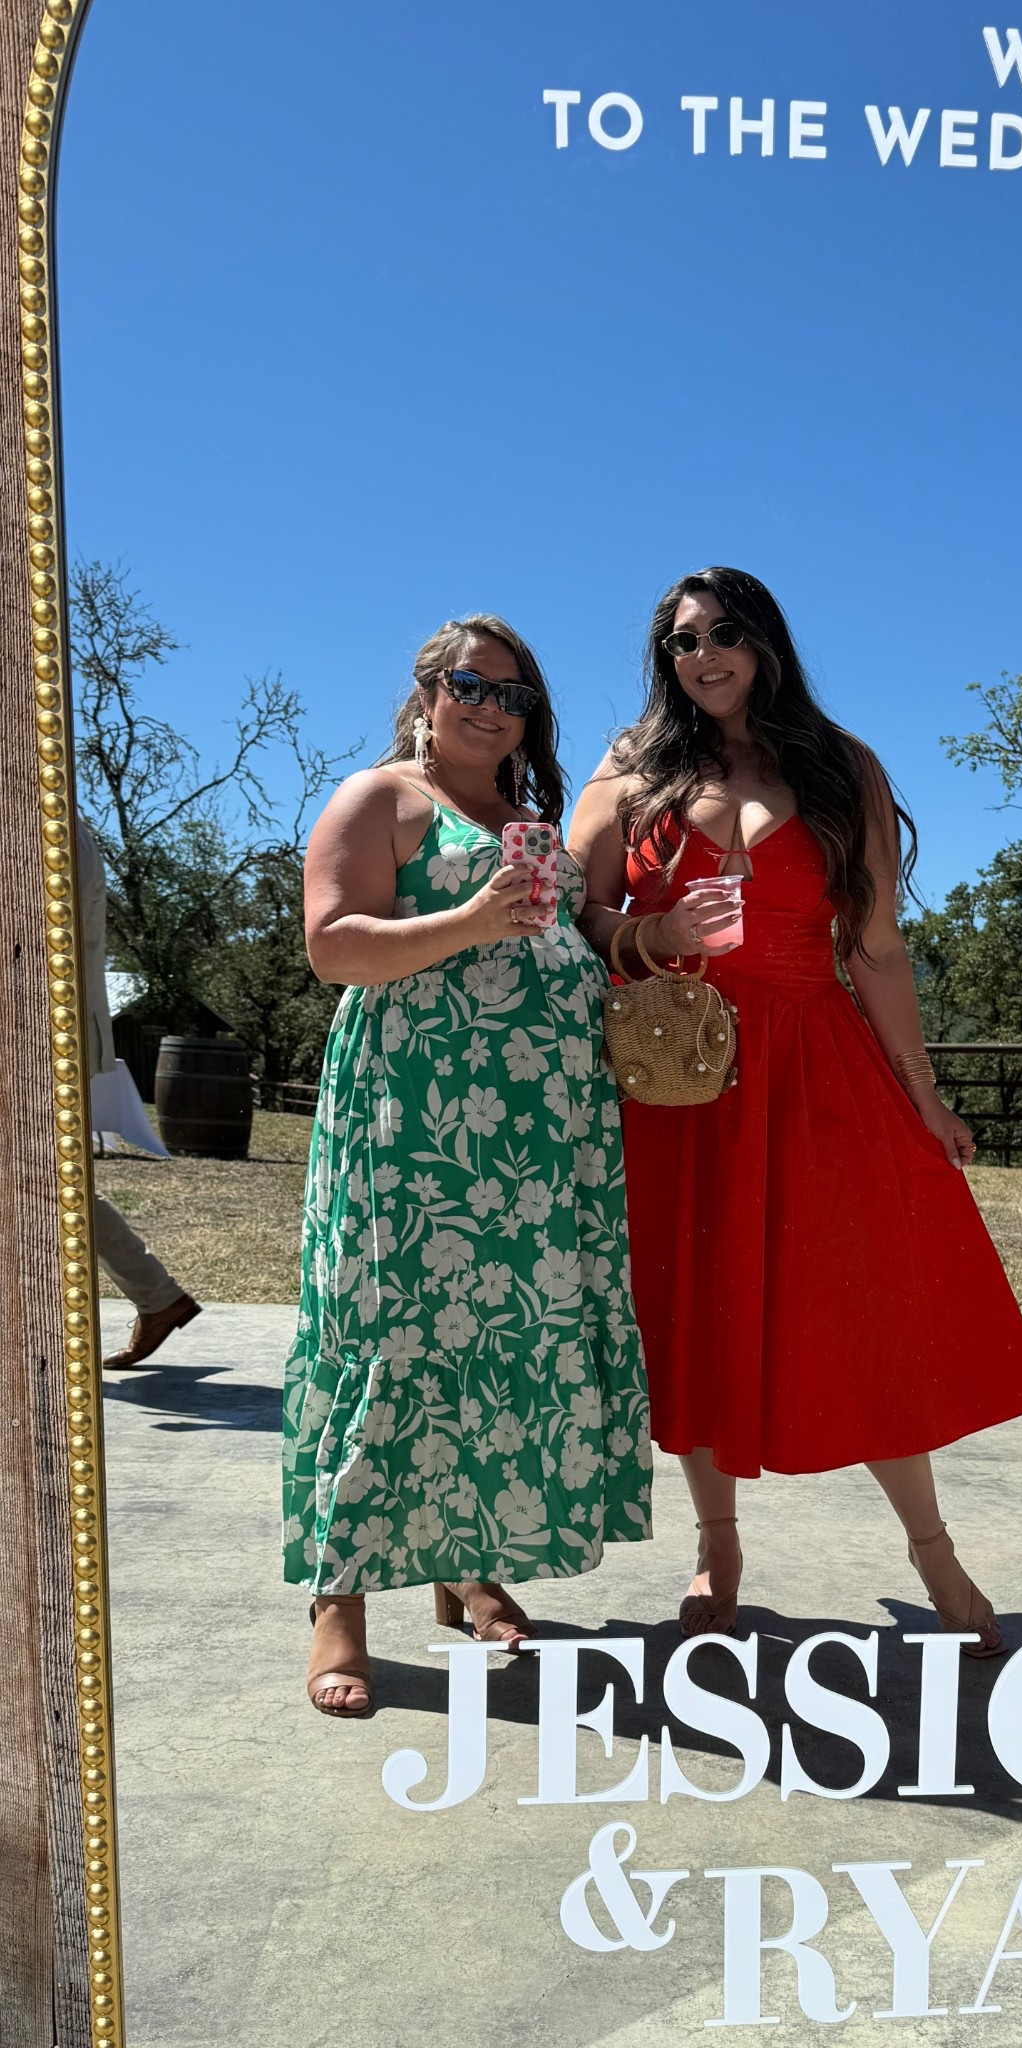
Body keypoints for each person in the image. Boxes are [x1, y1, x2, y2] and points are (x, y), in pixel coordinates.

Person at [568, 568, 1022, 1652]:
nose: (706, 653)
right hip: (678, 1070)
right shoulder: (633, 765)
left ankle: (934, 1549)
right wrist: (647, 934)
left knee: (862, 1298)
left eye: (727, 632)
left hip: (815, 1061)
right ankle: (717, 1540)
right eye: (684, 640)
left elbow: (876, 947)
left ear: (766, 642)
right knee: (693, 1302)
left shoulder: (843, 766)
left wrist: (922, 1093)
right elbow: (573, 912)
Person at [284, 614, 652, 1717]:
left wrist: (649, 934)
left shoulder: (531, 825)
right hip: (415, 1126)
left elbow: (577, 941)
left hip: (536, 1146)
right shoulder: (381, 799)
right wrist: (473, 918)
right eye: (469, 684)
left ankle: (467, 1563)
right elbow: (332, 943)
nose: (490, 705)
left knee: (493, 1353)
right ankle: (337, 1599)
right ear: (427, 693)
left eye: (513, 693)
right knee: (386, 1337)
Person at [77, 818, 202, 1368]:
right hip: (48, 1027)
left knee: (44, 1182)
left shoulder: (39, 818)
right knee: (52, 1181)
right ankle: (157, 1296)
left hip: (35, 1030)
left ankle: (157, 1296)